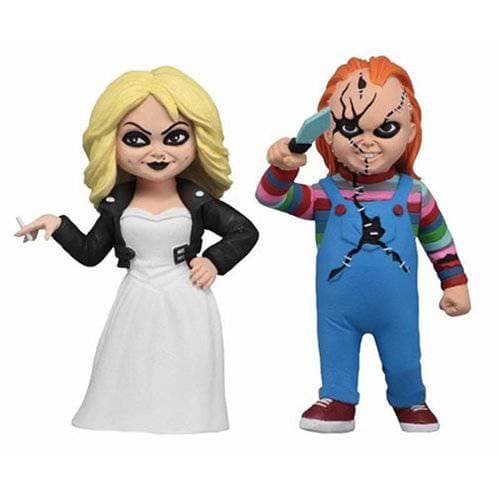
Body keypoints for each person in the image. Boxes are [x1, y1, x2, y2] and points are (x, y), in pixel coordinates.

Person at [16, 66, 258, 434]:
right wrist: (58, 224)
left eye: (175, 137)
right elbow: (90, 252)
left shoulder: (196, 199)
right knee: (130, 362)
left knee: (186, 362)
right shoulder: (117, 204)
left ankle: (187, 419)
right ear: (110, 143)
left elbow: (244, 231)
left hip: (186, 296)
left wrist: (213, 260)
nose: (157, 152)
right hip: (137, 296)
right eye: (136, 139)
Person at [256, 56, 470, 433]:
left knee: (405, 354)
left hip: (398, 307)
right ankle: (337, 397)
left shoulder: (415, 194)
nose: (366, 142)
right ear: (326, 133)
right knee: (335, 350)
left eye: (386, 128)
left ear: (410, 130)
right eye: (350, 128)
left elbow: (440, 241)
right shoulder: (324, 195)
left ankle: (410, 398)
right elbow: (271, 197)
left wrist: (455, 283)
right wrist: (284, 166)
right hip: (336, 308)